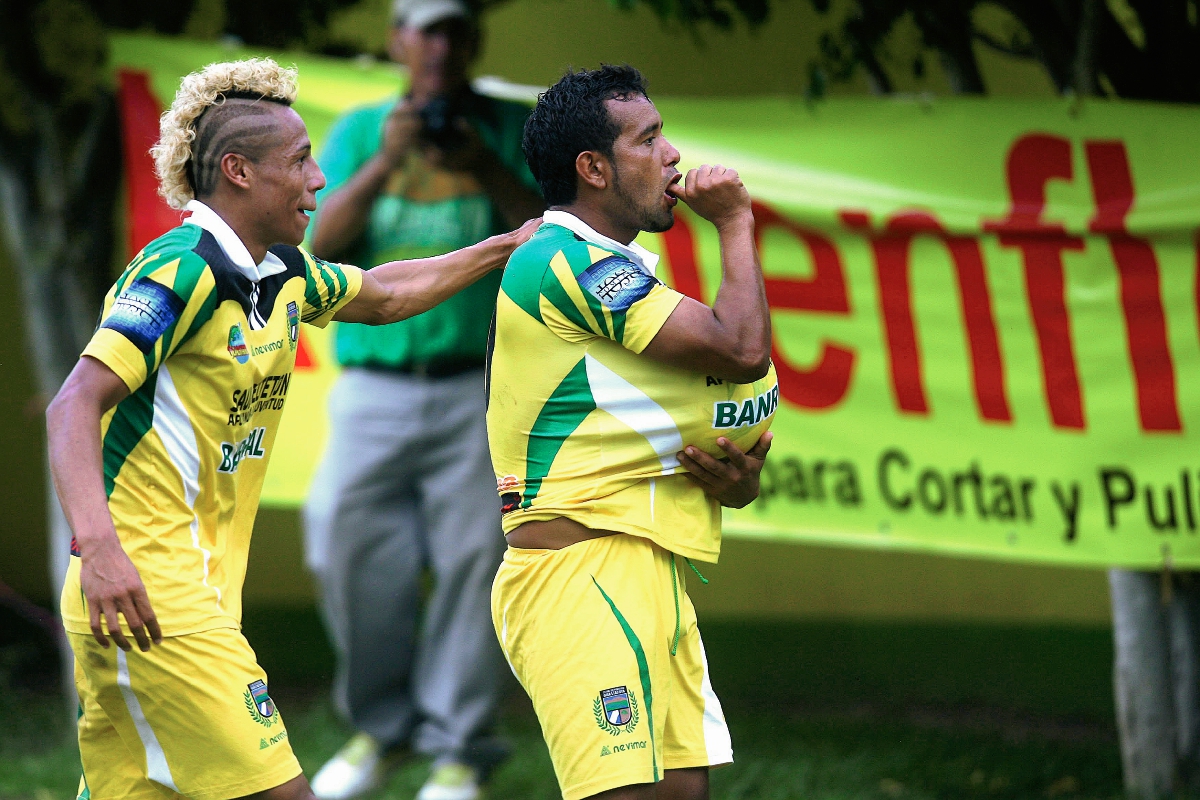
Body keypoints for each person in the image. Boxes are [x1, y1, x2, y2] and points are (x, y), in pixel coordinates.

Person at [46, 57, 536, 800]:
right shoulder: (183, 270)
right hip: (150, 591)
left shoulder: (281, 274)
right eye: (301, 162)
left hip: (180, 595)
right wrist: (101, 547)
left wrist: (507, 245)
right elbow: (72, 404)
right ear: (239, 172)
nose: (317, 181)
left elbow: (386, 292)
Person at [487, 65, 777, 800]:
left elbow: (692, 425)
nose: (672, 155)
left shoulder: (620, 271)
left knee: (682, 794)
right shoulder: (563, 260)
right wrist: (737, 223)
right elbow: (743, 349)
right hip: (578, 576)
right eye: (648, 139)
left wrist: (737, 480)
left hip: (656, 572)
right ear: (593, 168)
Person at [300, 0, 543, 797]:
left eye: (455, 29)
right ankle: (382, 730)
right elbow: (317, 250)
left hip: (480, 386)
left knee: (478, 565)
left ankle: (458, 747)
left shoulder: (512, 127)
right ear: (397, 38)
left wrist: (486, 166)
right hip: (375, 385)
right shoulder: (363, 129)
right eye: (425, 28)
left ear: (473, 40)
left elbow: (549, 234)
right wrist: (383, 164)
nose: (440, 44)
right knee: (343, 548)